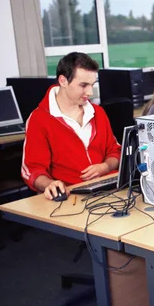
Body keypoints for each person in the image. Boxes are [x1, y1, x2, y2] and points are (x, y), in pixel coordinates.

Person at [21, 52, 121, 200]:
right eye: (83, 85)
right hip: (72, 195)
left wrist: (105, 167)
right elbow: (32, 170)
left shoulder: (98, 112)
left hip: (110, 188)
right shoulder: (39, 119)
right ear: (63, 81)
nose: (90, 92)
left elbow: (115, 151)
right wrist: (50, 184)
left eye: (92, 85)